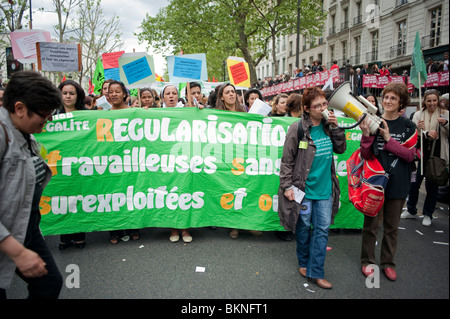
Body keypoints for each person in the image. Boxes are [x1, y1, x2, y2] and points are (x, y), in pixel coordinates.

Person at [0, 70, 63, 299]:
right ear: (19, 108)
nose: (49, 121)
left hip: (25, 228)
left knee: (49, 284)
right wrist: (17, 252)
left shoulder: (24, 132)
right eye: (44, 115)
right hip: (7, 236)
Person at [278, 86, 346, 289]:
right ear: (306, 108)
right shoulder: (297, 129)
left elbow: (340, 148)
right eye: (317, 106)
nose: (323, 108)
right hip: (303, 190)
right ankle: (303, 261)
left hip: (325, 190)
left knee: (323, 229)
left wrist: (336, 128)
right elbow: (287, 160)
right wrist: (287, 186)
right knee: (303, 226)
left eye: (325, 104)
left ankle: (316, 272)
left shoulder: (329, 126)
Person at [359, 82, 418, 281]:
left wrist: (388, 139)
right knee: (371, 225)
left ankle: (388, 262)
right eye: (386, 97)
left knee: (392, 226)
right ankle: (367, 261)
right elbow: (365, 154)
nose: (388, 101)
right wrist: (366, 136)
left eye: (393, 98)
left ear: (401, 102)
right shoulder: (374, 121)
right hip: (375, 182)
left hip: (398, 182)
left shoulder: (409, 126)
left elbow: (410, 156)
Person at [402, 89, 449, 226]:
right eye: (429, 100)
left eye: (434, 100)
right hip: (420, 156)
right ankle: (411, 210)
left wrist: (445, 124)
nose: (432, 103)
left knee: (432, 186)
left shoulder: (445, 114)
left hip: (437, 156)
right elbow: (413, 134)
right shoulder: (418, 114)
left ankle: (428, 214)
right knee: (414, 183)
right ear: (425, 101)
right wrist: (421, 129)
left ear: (438, 101)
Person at [107, 81, 141, 243]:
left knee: (131, 194)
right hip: (112, 161)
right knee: (114, 195)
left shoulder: (135, 112)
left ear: (124, 94)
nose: (114, 94)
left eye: (117, 91)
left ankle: (133, 227)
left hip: (132, 160)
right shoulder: (103, 114)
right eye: (111, 92)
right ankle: (115, 230)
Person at [57, 80, 88, 250]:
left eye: (72, 93)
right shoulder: (52, 116)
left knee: (81, 200)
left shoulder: (88, 115)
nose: (68, 96)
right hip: (62, 166)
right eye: (65, 93)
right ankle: (65, 234)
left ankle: (79, 234)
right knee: (63, 199)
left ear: (78, 96)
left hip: (83, 164)